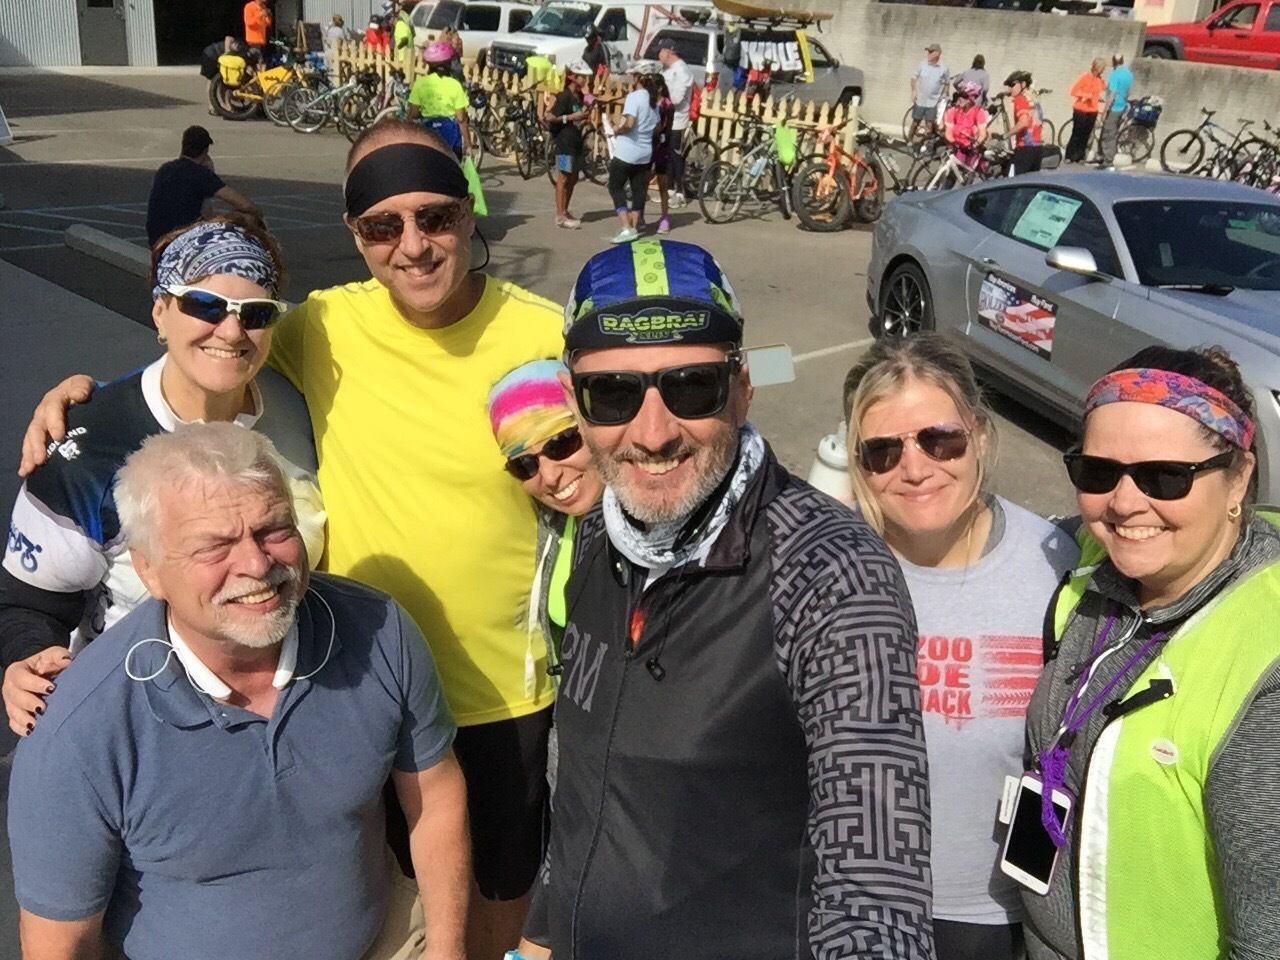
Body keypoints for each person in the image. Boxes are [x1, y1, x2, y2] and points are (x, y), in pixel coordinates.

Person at [20, 121, 565, 960]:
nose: (413, 244)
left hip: (498, 687)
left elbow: (635, 427)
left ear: (468, 214)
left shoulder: (542, 332)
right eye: (382, 225)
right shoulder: (327, 328)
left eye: (435, 216)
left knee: (485, 897)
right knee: (334, 883)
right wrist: (85, 403)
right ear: (356, 234)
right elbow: (207, 347)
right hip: (339, 683)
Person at [513, 239, 934, 960]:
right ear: (573, 401)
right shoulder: (598, 533)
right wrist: (539, 937)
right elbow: (582, 786)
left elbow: (877, 885)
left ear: (742, 388)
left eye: (691, 388)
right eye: (612, 394)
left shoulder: (833, 572)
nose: (652, 434)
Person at [8, 423, 468, 960]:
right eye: (214, 546)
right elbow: (57, 943)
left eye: (274, 529)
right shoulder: (79, 728)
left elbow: (435, 794)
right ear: (148, 570)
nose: (256, 564)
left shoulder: (378, 629)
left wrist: (448, 950)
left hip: (382, 940)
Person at [1, 215, 323, 737]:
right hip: (143, 720)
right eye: (204, 305)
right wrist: (28, 662)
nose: (231, 331)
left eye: (256, 314)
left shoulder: (297, 405)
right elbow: (27, 604)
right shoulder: (91, 447)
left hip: (290, 705)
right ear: (160, 311)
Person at [1023, 346, 1280, 960]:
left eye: (1165, 477)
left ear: (1238, 477)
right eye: (1097, 472)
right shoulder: (1097, 568)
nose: (1123, 503)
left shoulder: (1267, 664)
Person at [843, 334, 1078, 960]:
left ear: (979, 433)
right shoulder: (832, 568)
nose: (915, 469)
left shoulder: (1054, 566)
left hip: (994, 916)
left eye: (940, 440)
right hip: (849, 903)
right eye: (883, 451)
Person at [487, 359, 602, 663]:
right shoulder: (555, 527)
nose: (549, 477)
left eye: (562, 443)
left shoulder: (650, 529)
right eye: (524, 465)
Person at [145, 126, 263, 245]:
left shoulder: (165, 169)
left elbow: (206, 212)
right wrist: (259, 214)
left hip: (157, 239)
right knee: (248, 217)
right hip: (182, 240)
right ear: (205, 151)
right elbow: (244, 205)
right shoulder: (200, 174)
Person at [604, 65, 660, 244]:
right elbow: (657, 127)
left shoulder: (634, 97)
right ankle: (634, 225)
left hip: (627, 151)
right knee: (638, 190)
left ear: (638, 78)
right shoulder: (654, 100)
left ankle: (626, 226)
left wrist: (617, 129)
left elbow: (629, 123)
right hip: (645, 152)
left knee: (615, 186)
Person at [406, 41, 471, 159]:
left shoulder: (420, 84)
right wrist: (468, 143)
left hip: (428, 133)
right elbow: (461, 118)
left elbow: (413, 113)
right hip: (450, 135)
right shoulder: (455, 85)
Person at [548, 62, 593, 229]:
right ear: (573, 77)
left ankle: (565, 210)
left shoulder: (579, 96)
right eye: (582, 77)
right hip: (564, 142)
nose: (585, 80)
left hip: (576, 141)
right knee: (563, 176)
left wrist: (585, 113)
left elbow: (579, 115)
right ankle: (559, 215)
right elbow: (550, 117)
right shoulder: (564, 97)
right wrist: (570, 117)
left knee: (573, 177)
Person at [656, 36, 692, 206]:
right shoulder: (665, 69)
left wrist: (662, 98)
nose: (658, 55)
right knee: (666, 154)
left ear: (668, 52)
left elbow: (677, 98)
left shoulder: (682, 70)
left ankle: (680, 192)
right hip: (665, 118)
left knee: (676, 156)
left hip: (678, 119)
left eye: (660, 52)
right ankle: (669, 191)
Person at [645, 73, 675, 235]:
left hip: (662, 146)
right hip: (647, 144)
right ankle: (639, 214)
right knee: (643, 180)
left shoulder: (667, 105)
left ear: (660, 88)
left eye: (653, 87)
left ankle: (664, 217)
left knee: (662, 183)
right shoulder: (648, 103)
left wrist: (661, 136)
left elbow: (667, 129)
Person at [1065, 58, 1106, 164]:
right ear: (1097, 67)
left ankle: (1080, 156)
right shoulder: (1085, 76)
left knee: (1086, 134)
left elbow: (1102, 91)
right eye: (1102, 68)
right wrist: (1086, 95)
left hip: (1093, 110)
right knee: (1077, 132)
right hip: (1081, 109)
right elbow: (1073, 91)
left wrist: (1100, 98)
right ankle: (1069, 155)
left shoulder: (1100, 80)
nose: (1103, 70)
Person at [1005, 70, 1046, 175]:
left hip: (1025, 147)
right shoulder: (1034, 99)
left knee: (1013, 181)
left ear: (1023, 84)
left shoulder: (1020, 99)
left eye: (1012, 85)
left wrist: (1006, 135)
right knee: (1030, 182)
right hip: (1038, 148)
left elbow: (1024, 122)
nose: (1009, 89)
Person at [943, 79, 989, 170]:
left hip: (971, 149)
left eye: (964, 96)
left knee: (968, 172)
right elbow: (948, 132)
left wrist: (974, 145)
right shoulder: (953, 111)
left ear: (971, 99)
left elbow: (982, 134)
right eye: (959, 95)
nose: (960, 98)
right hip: (956, 146)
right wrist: (955, 143)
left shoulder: (978, 112)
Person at [1099, 53, 1133, 168]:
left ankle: (1108, 159)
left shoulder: (1115, 74)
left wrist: (1105, 111)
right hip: (1122, 107)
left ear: (1114, 62)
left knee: (1108, 133)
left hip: (1114, 107)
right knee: (1113, 132)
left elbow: (1112, 94)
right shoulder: (1128, 74)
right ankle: (1103, 155)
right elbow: (1129, 92)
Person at [909, 42, 949, 142]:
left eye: (931, 52)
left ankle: (926, 143)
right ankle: (909, 140)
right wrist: (914, 91)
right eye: (928, 52)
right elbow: (913, 78)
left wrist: (944, 98)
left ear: (937, 53)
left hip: (933, 102)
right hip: (920, 100)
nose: (928, 54)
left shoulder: (944, 69)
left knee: (929, 124)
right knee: (915, 122)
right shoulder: (922, 64)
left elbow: (947, 83)